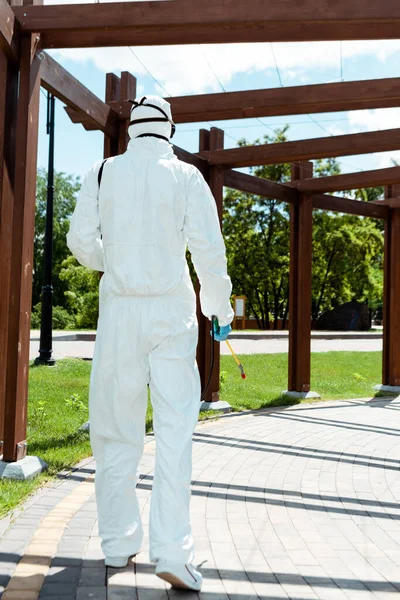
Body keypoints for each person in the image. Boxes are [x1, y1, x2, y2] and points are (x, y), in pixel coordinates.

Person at [67, 95, 233, 591]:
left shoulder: (102, 172)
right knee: (175, 432)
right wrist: (219, 311)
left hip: (119, 310)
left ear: (131, 131)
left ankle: (117, 543)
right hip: (171, 311)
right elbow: (208, 247)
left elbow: (79, 241)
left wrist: (112, 260)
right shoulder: (185, 176)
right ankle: (173, 552)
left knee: (116, 431)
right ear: (170, 131)